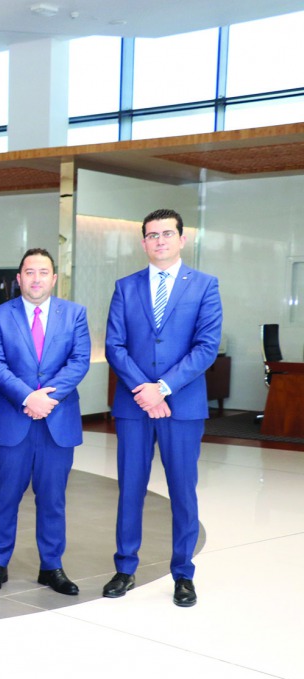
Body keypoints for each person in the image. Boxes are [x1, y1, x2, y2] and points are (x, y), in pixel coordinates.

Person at [105, 209, 222, 607]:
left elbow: (206, 347)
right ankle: (124, 568)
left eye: (167, 234)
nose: (160, 240)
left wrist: (164, 388)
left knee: (182, 492)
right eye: (152, 235)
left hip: (182, 406)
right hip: (134, 406)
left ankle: (183, 574)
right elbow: (114, 346)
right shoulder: (125, 286)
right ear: (143, 243)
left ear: (182, 239)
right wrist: (144, 389)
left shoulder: (205, 285)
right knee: (130, 489)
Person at [0, 248, 90, 595]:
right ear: (19, 278)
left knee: (53, 500)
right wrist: (29, 397)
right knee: (5, 498)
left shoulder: (75, 314)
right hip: (14, 421)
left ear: (54, 278)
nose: (36, 278)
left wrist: (47, 399)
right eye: (29, 272)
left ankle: (52, 567)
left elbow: (80, 361)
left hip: (58, 423)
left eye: (44, 272)